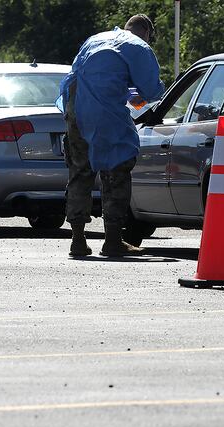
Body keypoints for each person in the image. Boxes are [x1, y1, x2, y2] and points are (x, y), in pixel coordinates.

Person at [58, 14, 164, 257]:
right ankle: (113, 240)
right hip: (104, 112)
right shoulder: (139, 47)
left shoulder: (96, 38)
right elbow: (152, 89)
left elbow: (86, 74)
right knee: (117, 170)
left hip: (75, 109)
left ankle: (78, 239)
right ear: (147, 33)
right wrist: (140, 97)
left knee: (79, 171)